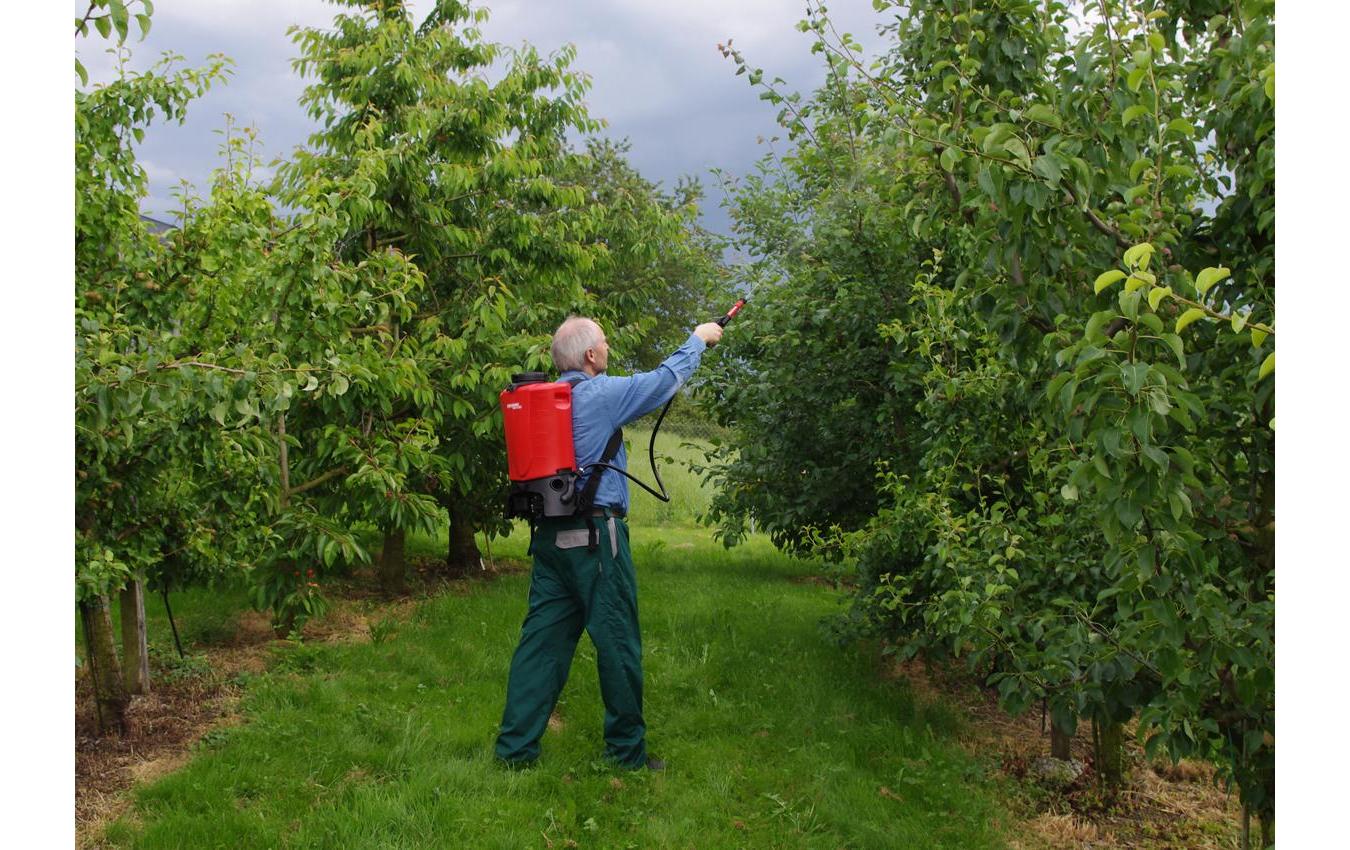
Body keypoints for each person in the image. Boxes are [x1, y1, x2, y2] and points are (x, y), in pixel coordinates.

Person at [494, 317, 724, 771]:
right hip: (599, 539)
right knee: (617, 640)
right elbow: (662, 382)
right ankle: (626, 754)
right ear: (590, 357)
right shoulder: (599, 395)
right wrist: (698, 339)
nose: (607, 345)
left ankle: (514, 752)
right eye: (603, 341)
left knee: (541, 646)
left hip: (550, 539)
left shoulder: (542, 403)